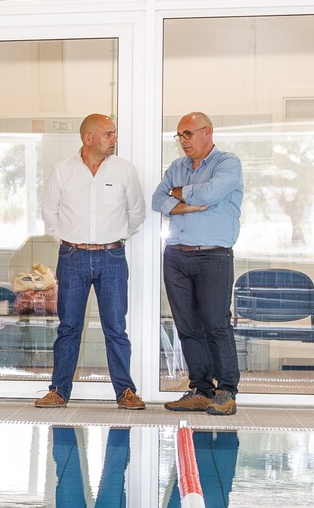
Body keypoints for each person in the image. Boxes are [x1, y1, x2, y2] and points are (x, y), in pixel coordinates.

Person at [35, 112, 147, 412]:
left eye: (114, 133)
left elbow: (137, 212)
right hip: (72, 257)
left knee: (116, 327)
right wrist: (71, 239)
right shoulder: (62, 171)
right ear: (88, 138)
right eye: (108, 133)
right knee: (68, 327)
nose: (114, 138)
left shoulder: (124, 170)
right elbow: (49, 213)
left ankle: (126, 392)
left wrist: (117, 237)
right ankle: (59, 391)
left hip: (112, 257)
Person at [154, 110, 245, 416]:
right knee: (187, 326)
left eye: (188, 134)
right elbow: (157, 200)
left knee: (216, 324)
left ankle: (227, 391)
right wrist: (187, 206)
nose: (183, 140)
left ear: (207, 132)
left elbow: (211, 192)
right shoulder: (176, 167)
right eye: (179, 135)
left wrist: (178, 195)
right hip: (176, 255)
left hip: (213, 256)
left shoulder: (227, 163)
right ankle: (201, 390)